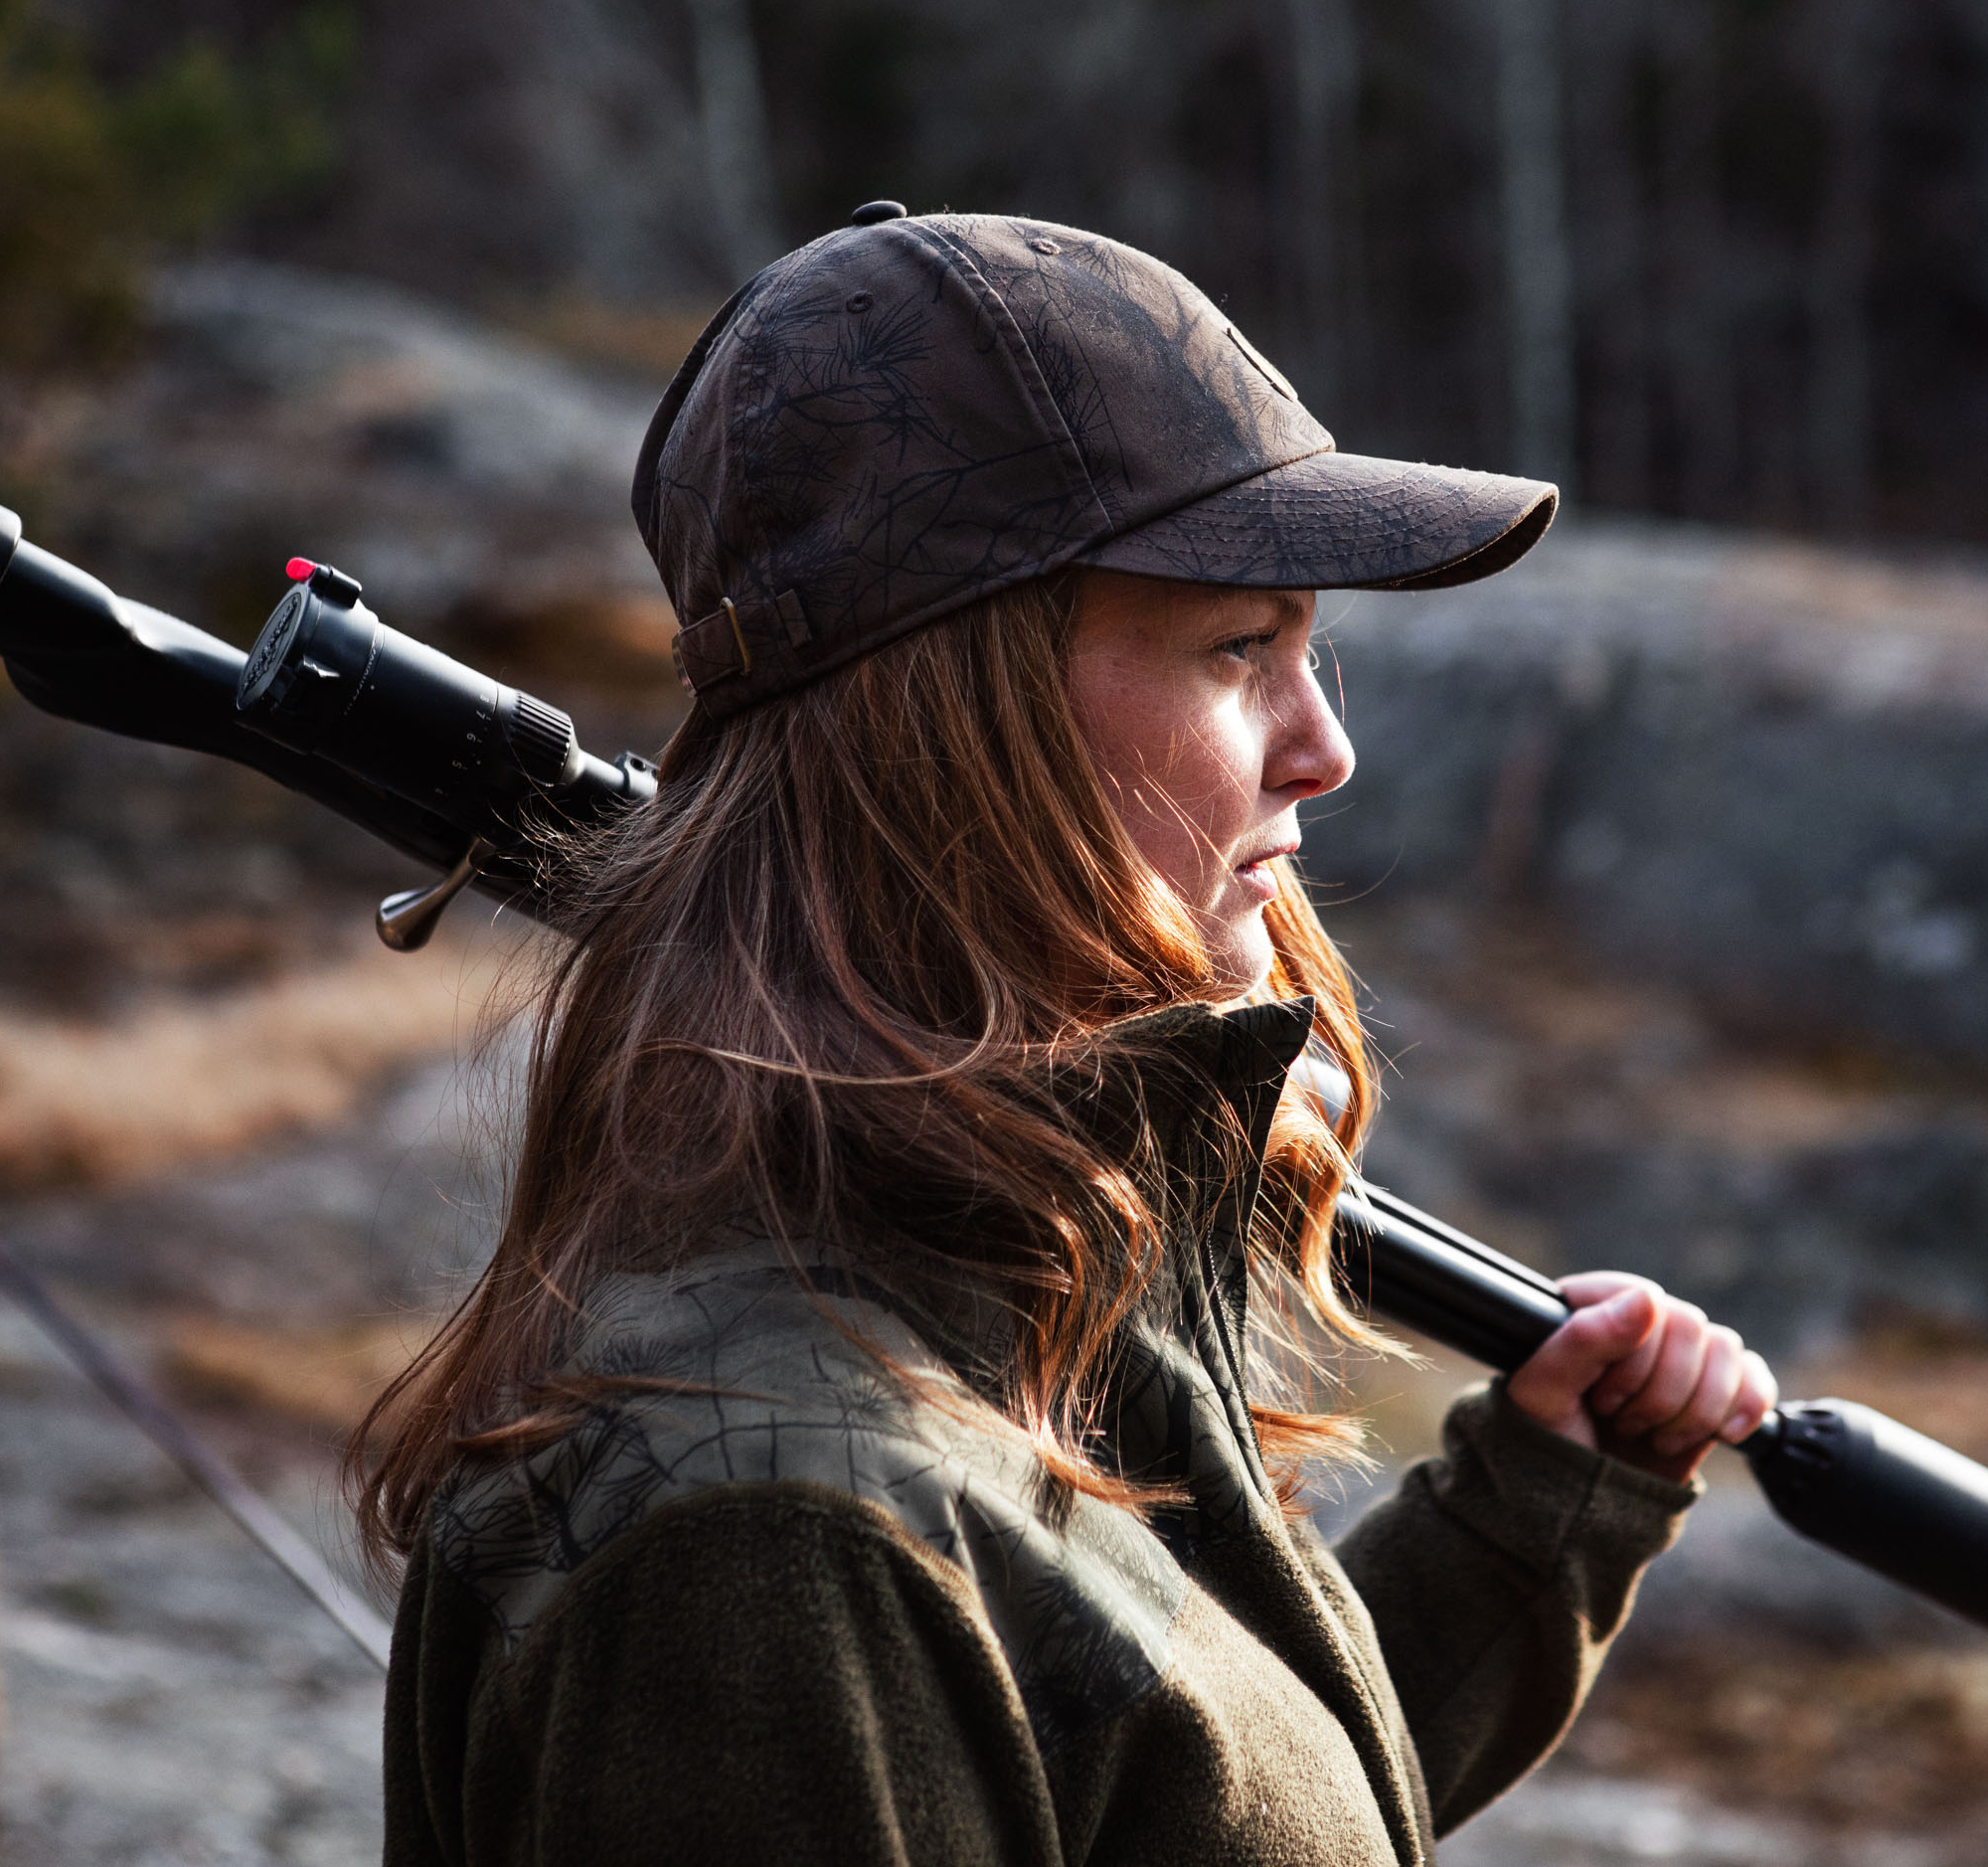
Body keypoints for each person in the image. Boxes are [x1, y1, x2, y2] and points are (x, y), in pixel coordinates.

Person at [358, 205, 1775, 1865]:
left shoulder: (1005, 1289)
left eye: (1310, 648)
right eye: (1243, 647)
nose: (1325, 749)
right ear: (960, 720)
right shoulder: (770, 1543)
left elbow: (1168, 1785)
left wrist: (1533, 1511)